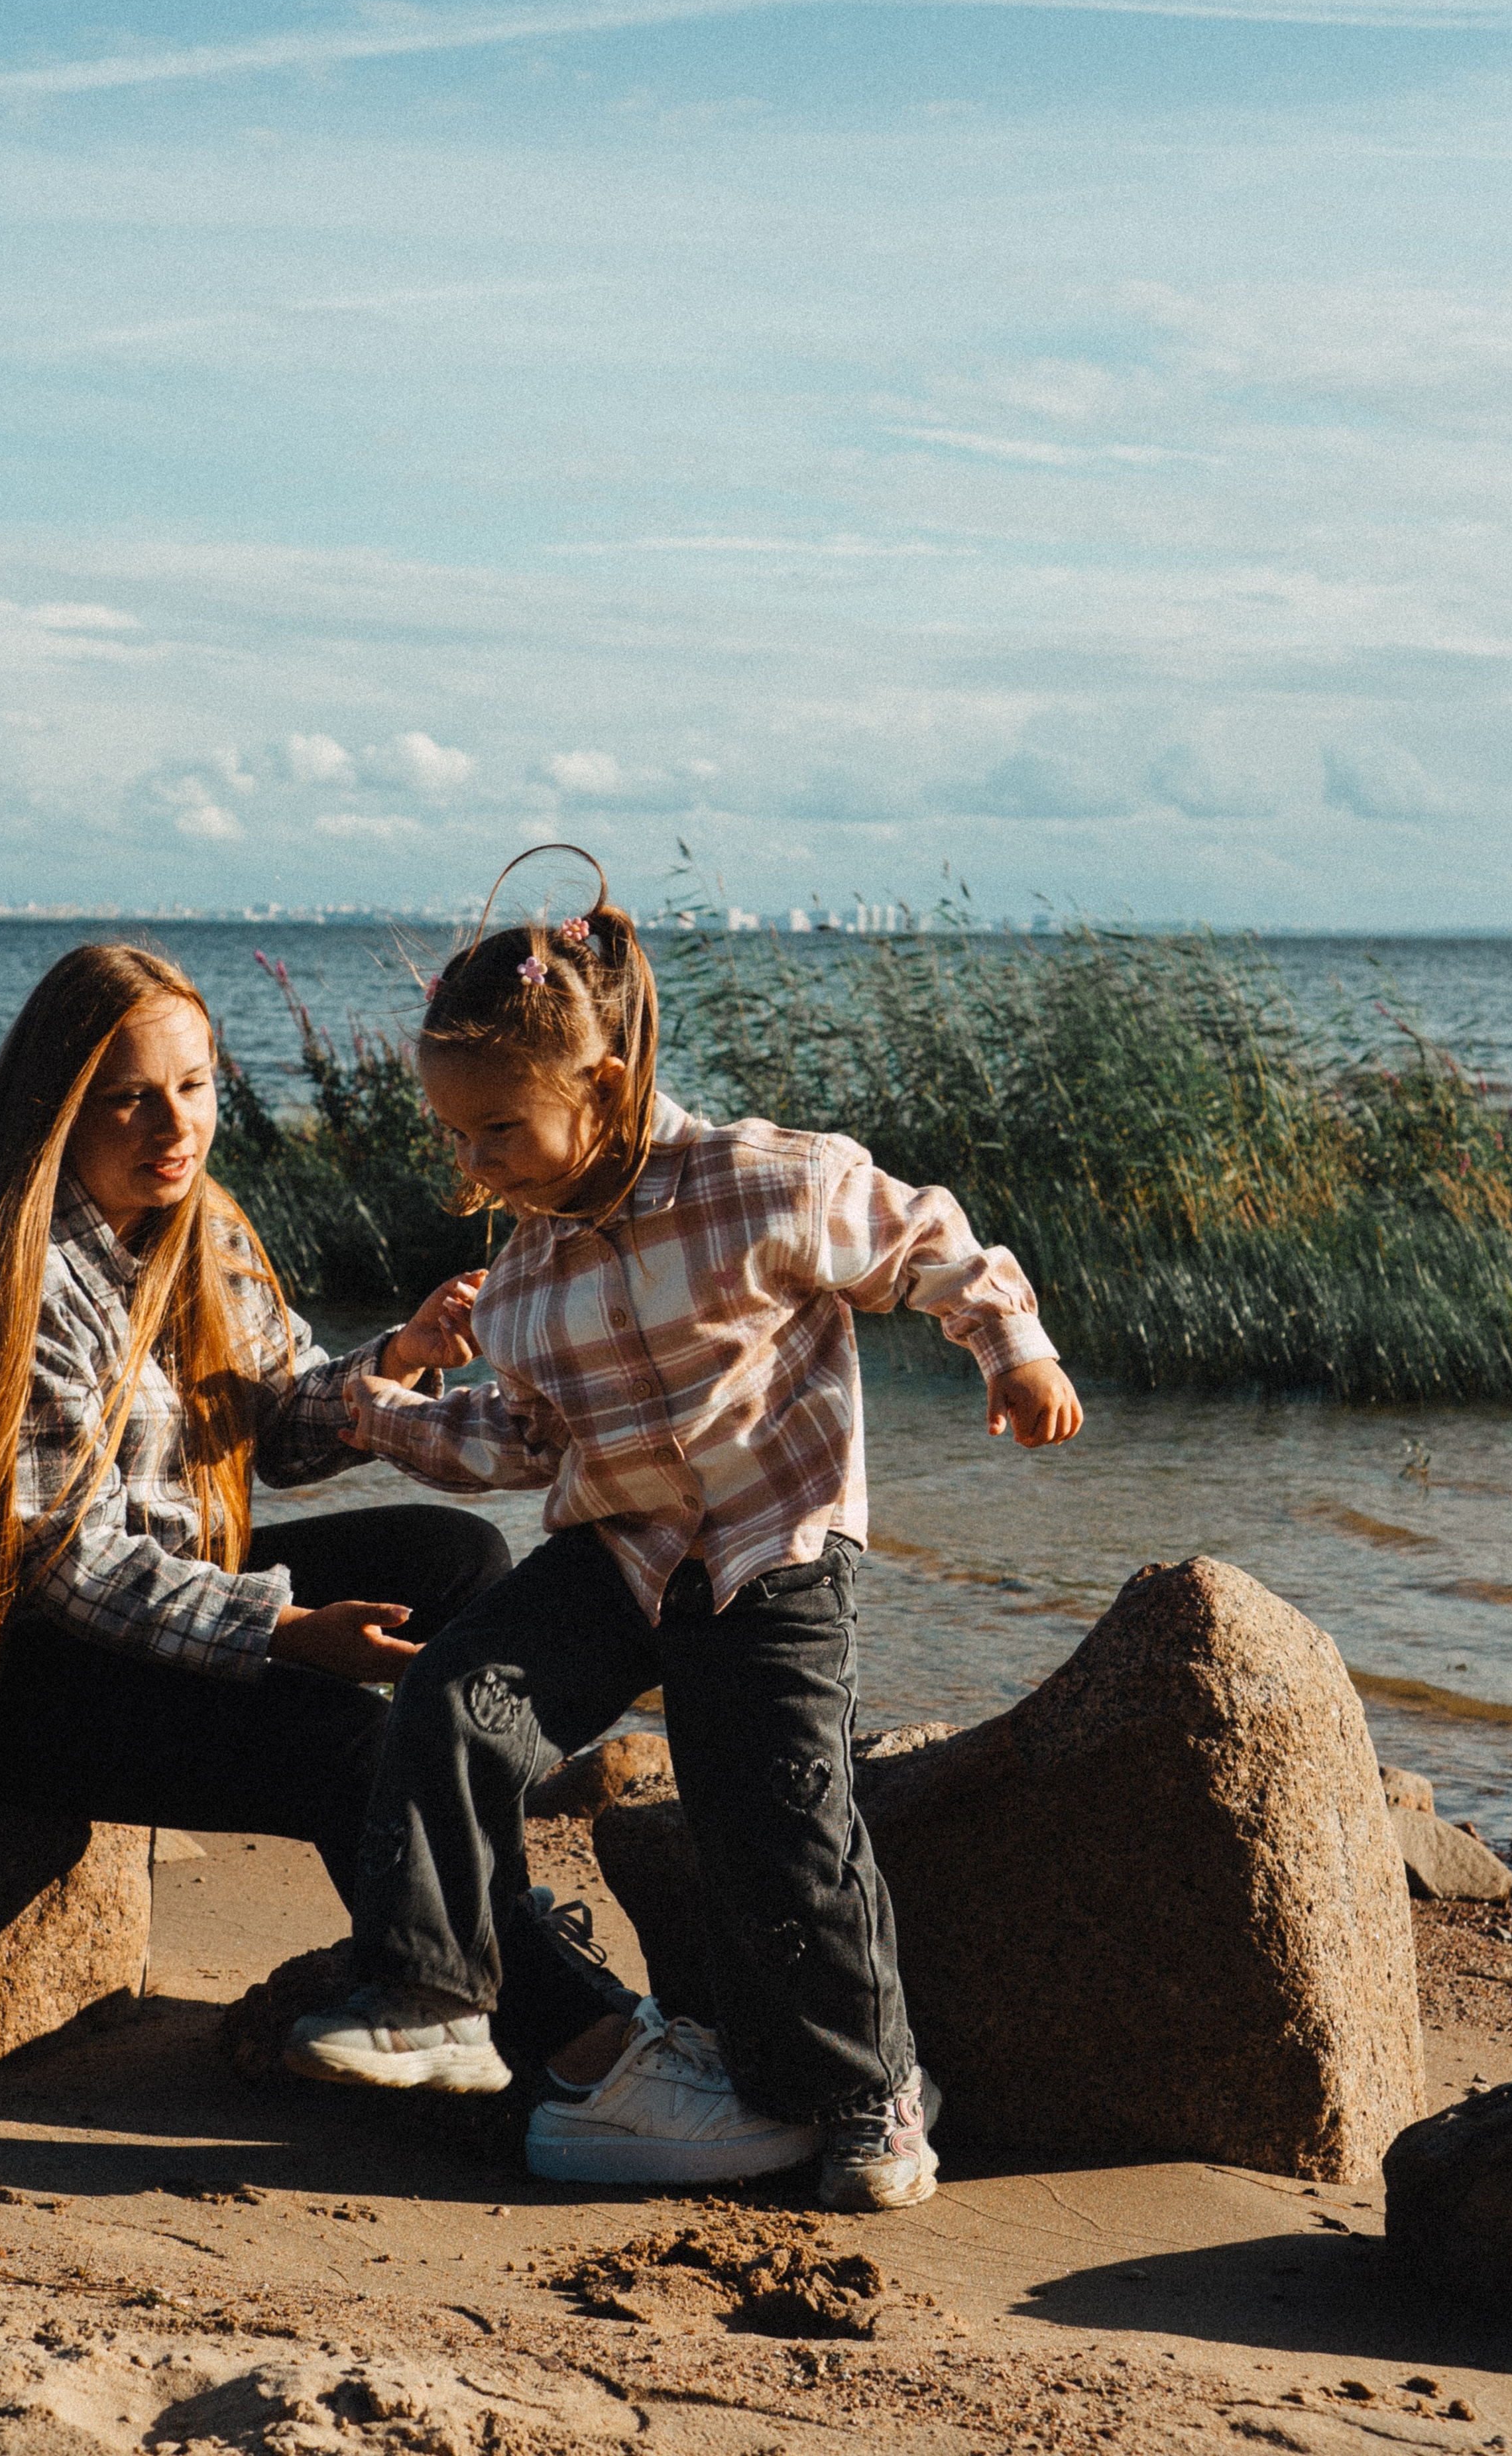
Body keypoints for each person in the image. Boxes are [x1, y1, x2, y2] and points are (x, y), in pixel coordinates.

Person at [285, 849, 1083, 2209]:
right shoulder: (526, 1275)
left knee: (774, 1827)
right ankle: (431, 1995)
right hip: (614, 1556)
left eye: (496, 1132)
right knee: (456, 1700)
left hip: (770, 1556)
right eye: (454, 1136)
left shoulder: (757, 1181)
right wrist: (377, 1413)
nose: (471, 1166)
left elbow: (931, 1240)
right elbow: (515, 1442)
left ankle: (872, 2096)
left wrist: (1010, 1350)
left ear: (596, 1087)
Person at [0, 941, 635, 2089]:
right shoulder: (9, 1277)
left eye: (195, 1087)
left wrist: (399, 1363)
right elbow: (71, 1563)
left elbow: (278, 1422)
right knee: (341, 1739)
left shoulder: (196, 1226)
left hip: (143, 1599)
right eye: (130, 1098)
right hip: (6, 1672)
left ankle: (450, 1928)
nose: (176, 1127)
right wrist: (282, 1633)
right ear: (56, 1105)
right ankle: (575, 2039)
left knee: (458, 1557)